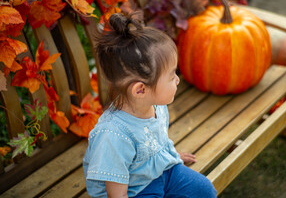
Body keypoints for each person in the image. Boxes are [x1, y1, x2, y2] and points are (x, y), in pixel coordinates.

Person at [83, 12, 217, 198]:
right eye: (171, 76)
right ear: (140, 90)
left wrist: (172, 156)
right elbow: (117, 196)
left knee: (203, 190)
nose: (178, 80)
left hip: (159, 172)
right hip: (134, 190)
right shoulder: (114, 135)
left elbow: (154, 141)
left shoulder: (155, 105)